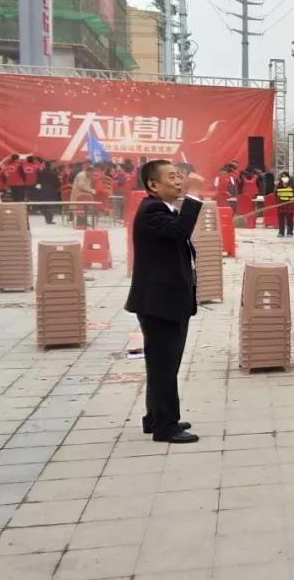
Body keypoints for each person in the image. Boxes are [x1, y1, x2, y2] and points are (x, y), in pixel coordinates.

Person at [124, 159, 203, 444]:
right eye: (172, 177)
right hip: (160, 303)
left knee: (163, 365)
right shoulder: (152, 210)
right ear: (153, 185)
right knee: (164, 366)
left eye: (180, 176)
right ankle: (166, 427)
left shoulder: (163, 209)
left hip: (167, 301)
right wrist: (195, 195)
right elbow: (180, 232)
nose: (179, 181)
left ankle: (156, 417)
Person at [274, 172, 294, 238]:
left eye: (285, 176)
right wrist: (277, 203)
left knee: (289, 219)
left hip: (290, 204)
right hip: (281, 204)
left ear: (288, 177)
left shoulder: (293, 184)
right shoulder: (279, 184)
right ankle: (281, 232)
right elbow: (276, 193)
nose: (284, 178)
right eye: (283, 177)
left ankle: (290, 232)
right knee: (281, 220)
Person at [36, 159, 60, 224]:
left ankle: (46, 218)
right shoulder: (54, 173)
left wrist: (38, 190)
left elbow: (38, 182)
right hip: (52, 191)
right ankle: (49, 220)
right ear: (50, 165)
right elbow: (57, 183)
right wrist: (57, 188)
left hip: (43, 191)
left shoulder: (41, 173)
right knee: (51, 205)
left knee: (45, 205)